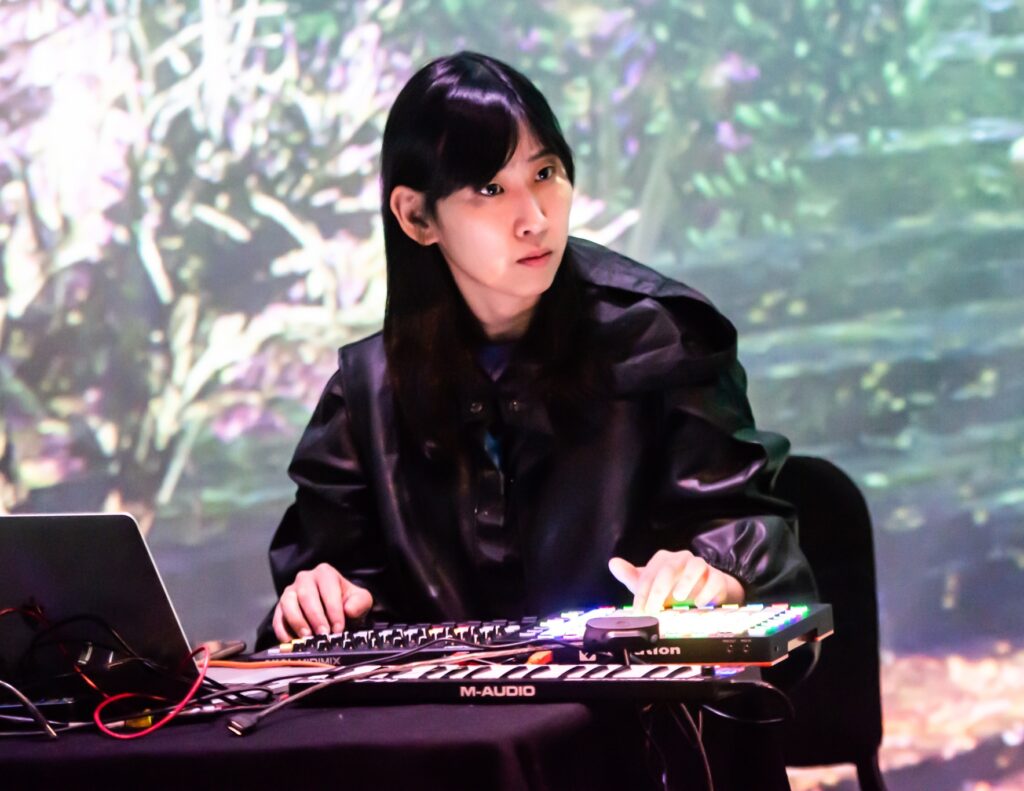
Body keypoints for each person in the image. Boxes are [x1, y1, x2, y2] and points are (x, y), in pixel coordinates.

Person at [258, 50, 815, 646]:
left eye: (545, 174)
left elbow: (756, 539)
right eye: (491, 188)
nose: (534, 219)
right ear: (417, 216)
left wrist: (717, 573)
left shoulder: (662, 337)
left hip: (635, 720)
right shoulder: (365, 393)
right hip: (444, 731)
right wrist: (320, 600)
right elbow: (324, 604)